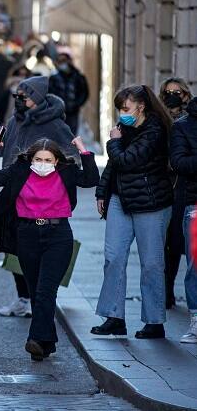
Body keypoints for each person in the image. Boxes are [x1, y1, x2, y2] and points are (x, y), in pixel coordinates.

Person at [0, 136, 99, 360]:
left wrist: (84, 150)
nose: (42, 164)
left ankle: (34, 339)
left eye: (48, 159)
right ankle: (46, 343)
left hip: (58, 235)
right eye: (38, 159)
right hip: (26, 234)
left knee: (46, 290)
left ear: (56, 161)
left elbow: (91, 179)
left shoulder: (67, 171)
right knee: (36, 291)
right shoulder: (20, 170)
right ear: (31, 159)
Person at [0, 75, 78, 318]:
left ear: (37, 98)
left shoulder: (55, 124)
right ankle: (23, 297)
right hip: (14, 193)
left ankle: (38, 296)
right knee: (14, 248)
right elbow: (2, 146)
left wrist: (51, 175)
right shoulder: (14, 120)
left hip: (46, 200)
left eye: (24, 96)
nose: (19, 100)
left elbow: (72, 156)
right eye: (16, 96)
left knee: (42, 252)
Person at [93, 85, 173, 339]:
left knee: (151, 263)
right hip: (120, 199)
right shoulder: (124, 128)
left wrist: (113, 143)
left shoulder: (155, 130)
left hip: (151, 203)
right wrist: (101, 192)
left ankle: (154, 321)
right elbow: (113, 167)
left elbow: (127, 160)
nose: (122, 113)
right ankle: (114, 316)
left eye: (125, 108)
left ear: (141, 106)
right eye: (119, 108)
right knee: (113, 256)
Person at [160, 77, 193, 309]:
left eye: (178, 92)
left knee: (186, 244)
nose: (173, 95)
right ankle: (167, 290)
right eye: (168, 91)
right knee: (169, 244)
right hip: (165, 186)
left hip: (184, 186)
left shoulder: (189, 120)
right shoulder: (158, 119)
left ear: (185, 94)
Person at [169, 95, 197, 342]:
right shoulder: (183, 125)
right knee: (195, 265)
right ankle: (196, 321)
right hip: (194, 203)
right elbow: (178, 163)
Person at [48, 52, 89, 135]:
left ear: (69, 61)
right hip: (58, 112)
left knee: (72, 135)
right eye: (59, 61)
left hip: (73, 111)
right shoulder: (53, 78)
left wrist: (77, 104)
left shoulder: (78, 77)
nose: (62, 63)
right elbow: (49, 94)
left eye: (64, 60)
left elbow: (84, 92)